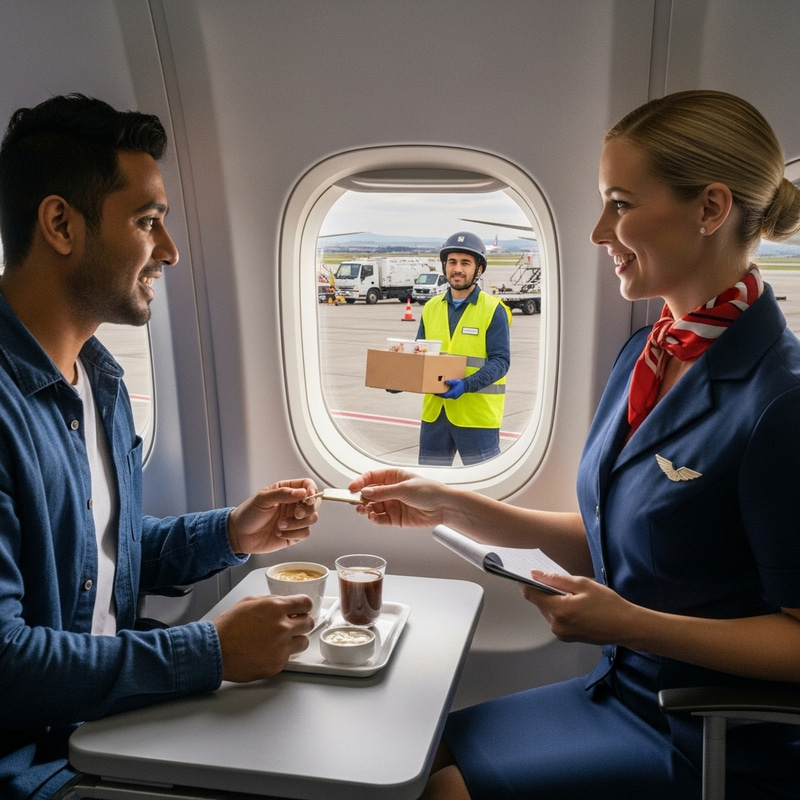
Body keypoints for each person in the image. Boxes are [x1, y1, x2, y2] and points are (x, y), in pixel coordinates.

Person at [349, 90, 800, 799]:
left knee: (442, 790)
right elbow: (612, 539)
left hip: (709, 735)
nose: (597, 232)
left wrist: (632, 625)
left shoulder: (780, 402)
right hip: (621, 688)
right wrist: (450, 505)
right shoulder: (643, 357)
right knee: (400, 761)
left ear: (711, 210)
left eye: (619, 203)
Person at [0, 94, 322, 800]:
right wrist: (205, 650)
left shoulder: (99, 380)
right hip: (35, 763)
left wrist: (231, 532)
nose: (170, 251)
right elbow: (7, 661)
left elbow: (88, 551)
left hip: (106, 722)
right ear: (60, 224)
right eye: (148, 222)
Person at [415, 231, 511, 466]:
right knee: (428, 489)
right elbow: (418, 355)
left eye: (465, 263)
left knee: (483, 491)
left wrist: (466, 385)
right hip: (435, 415)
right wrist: (399, 379)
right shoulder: (430, 307)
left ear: (478, 269)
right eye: (452, 262)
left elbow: (501, 362)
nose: (457, 269)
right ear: (445, 266)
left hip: (477, 418)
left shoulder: (493, 309)